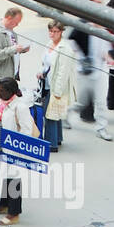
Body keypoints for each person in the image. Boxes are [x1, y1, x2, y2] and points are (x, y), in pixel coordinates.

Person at [65, 0, 114, 141]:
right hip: (84, 72)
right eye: (96, 3)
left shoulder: (103, 30)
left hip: (98, 73)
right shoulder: (82, 26)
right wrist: (81, 57)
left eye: (101, 3)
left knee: (100, 102)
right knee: (81, 102)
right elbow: (72, 42)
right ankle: (65, 116)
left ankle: (101, 128)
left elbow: (105, 50)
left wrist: (110, 59)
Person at [0, 77, 37, 224]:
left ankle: (14, 212)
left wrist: (16, 147)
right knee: (6, 174)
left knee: (14, 178)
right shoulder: (0, 102)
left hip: (14, 149)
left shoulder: (20, 107)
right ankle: (4, 204)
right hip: (1, 145)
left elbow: (27, 129)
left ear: (11, 92)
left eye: (2, 90)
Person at [40, 20, 74, 151]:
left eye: (55, 31)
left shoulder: (65, 49)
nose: (52, 34)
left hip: (56, 86)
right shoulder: (49, 44)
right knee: (55, 113)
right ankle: (57, 138)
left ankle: (51, 143)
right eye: (50, 31)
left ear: (61, 32)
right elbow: (45, 63)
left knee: (50, 114)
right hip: (47, 83)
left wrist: (57, 92)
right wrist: (41, 72)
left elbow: (63, 72)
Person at [0, 7, 28, 99]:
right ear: (9, 18)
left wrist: (20, 50)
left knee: (9, 103)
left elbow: (10, 50)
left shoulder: (10, 32)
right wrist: (14, 49)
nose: (17, 25)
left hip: (9, 76)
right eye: (16, 22)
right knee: (1, 104)